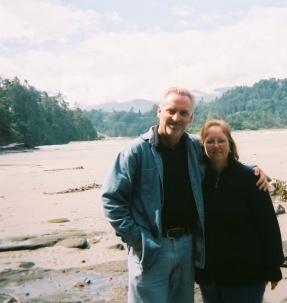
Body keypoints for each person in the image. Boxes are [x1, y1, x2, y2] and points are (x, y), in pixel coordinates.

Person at [100, 87, 268, 303]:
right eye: (171, 111)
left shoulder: (194, 148)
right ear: (159, 111)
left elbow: (223, 158)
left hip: (188, 244)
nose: (176, 118)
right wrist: (135, 238)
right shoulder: (135, 152)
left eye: (183, 113)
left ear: (191, 117)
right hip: (151, 246)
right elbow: (111, 199)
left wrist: (253, 169)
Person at [195, 119, 284, 303]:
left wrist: (273, 267)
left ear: (230, 144)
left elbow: (268, 225)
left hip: (246, 276)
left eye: (221, 140)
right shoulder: (199, 180)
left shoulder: (250, 179)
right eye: (210, 141)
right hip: (210, 277)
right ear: (202, 146)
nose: (216, 146)